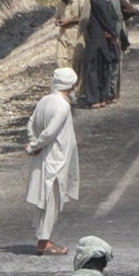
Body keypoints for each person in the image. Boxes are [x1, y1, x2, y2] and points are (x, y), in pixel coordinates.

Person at [27, 67, 81, 255]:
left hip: (46, 157)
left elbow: (31, 124)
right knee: (52, 201)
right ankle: (44, 243)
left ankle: (45, 238)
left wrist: (34, 143)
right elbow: (50, 132)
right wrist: (34, 146)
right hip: (56, 160)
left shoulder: (44, 101)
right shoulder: (62, 106)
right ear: (70, 85)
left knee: (46, 199)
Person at [80, 0, 125, 107]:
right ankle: (103, 98)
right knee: (104, 68)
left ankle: (95, 100)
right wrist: (113, 33)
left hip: (95, 38)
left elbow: (91, 18)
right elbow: (113, 17)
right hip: (107, 39)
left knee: (92, 68)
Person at [52, 0, 86, 76]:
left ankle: (74, 86)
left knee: (74, 63)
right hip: (63, 36)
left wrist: (70, 21)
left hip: (76, 37)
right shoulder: (60, 4)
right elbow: (57, 16)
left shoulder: (80, 1)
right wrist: (57, 21)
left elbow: (85, 19)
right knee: (61, 61)